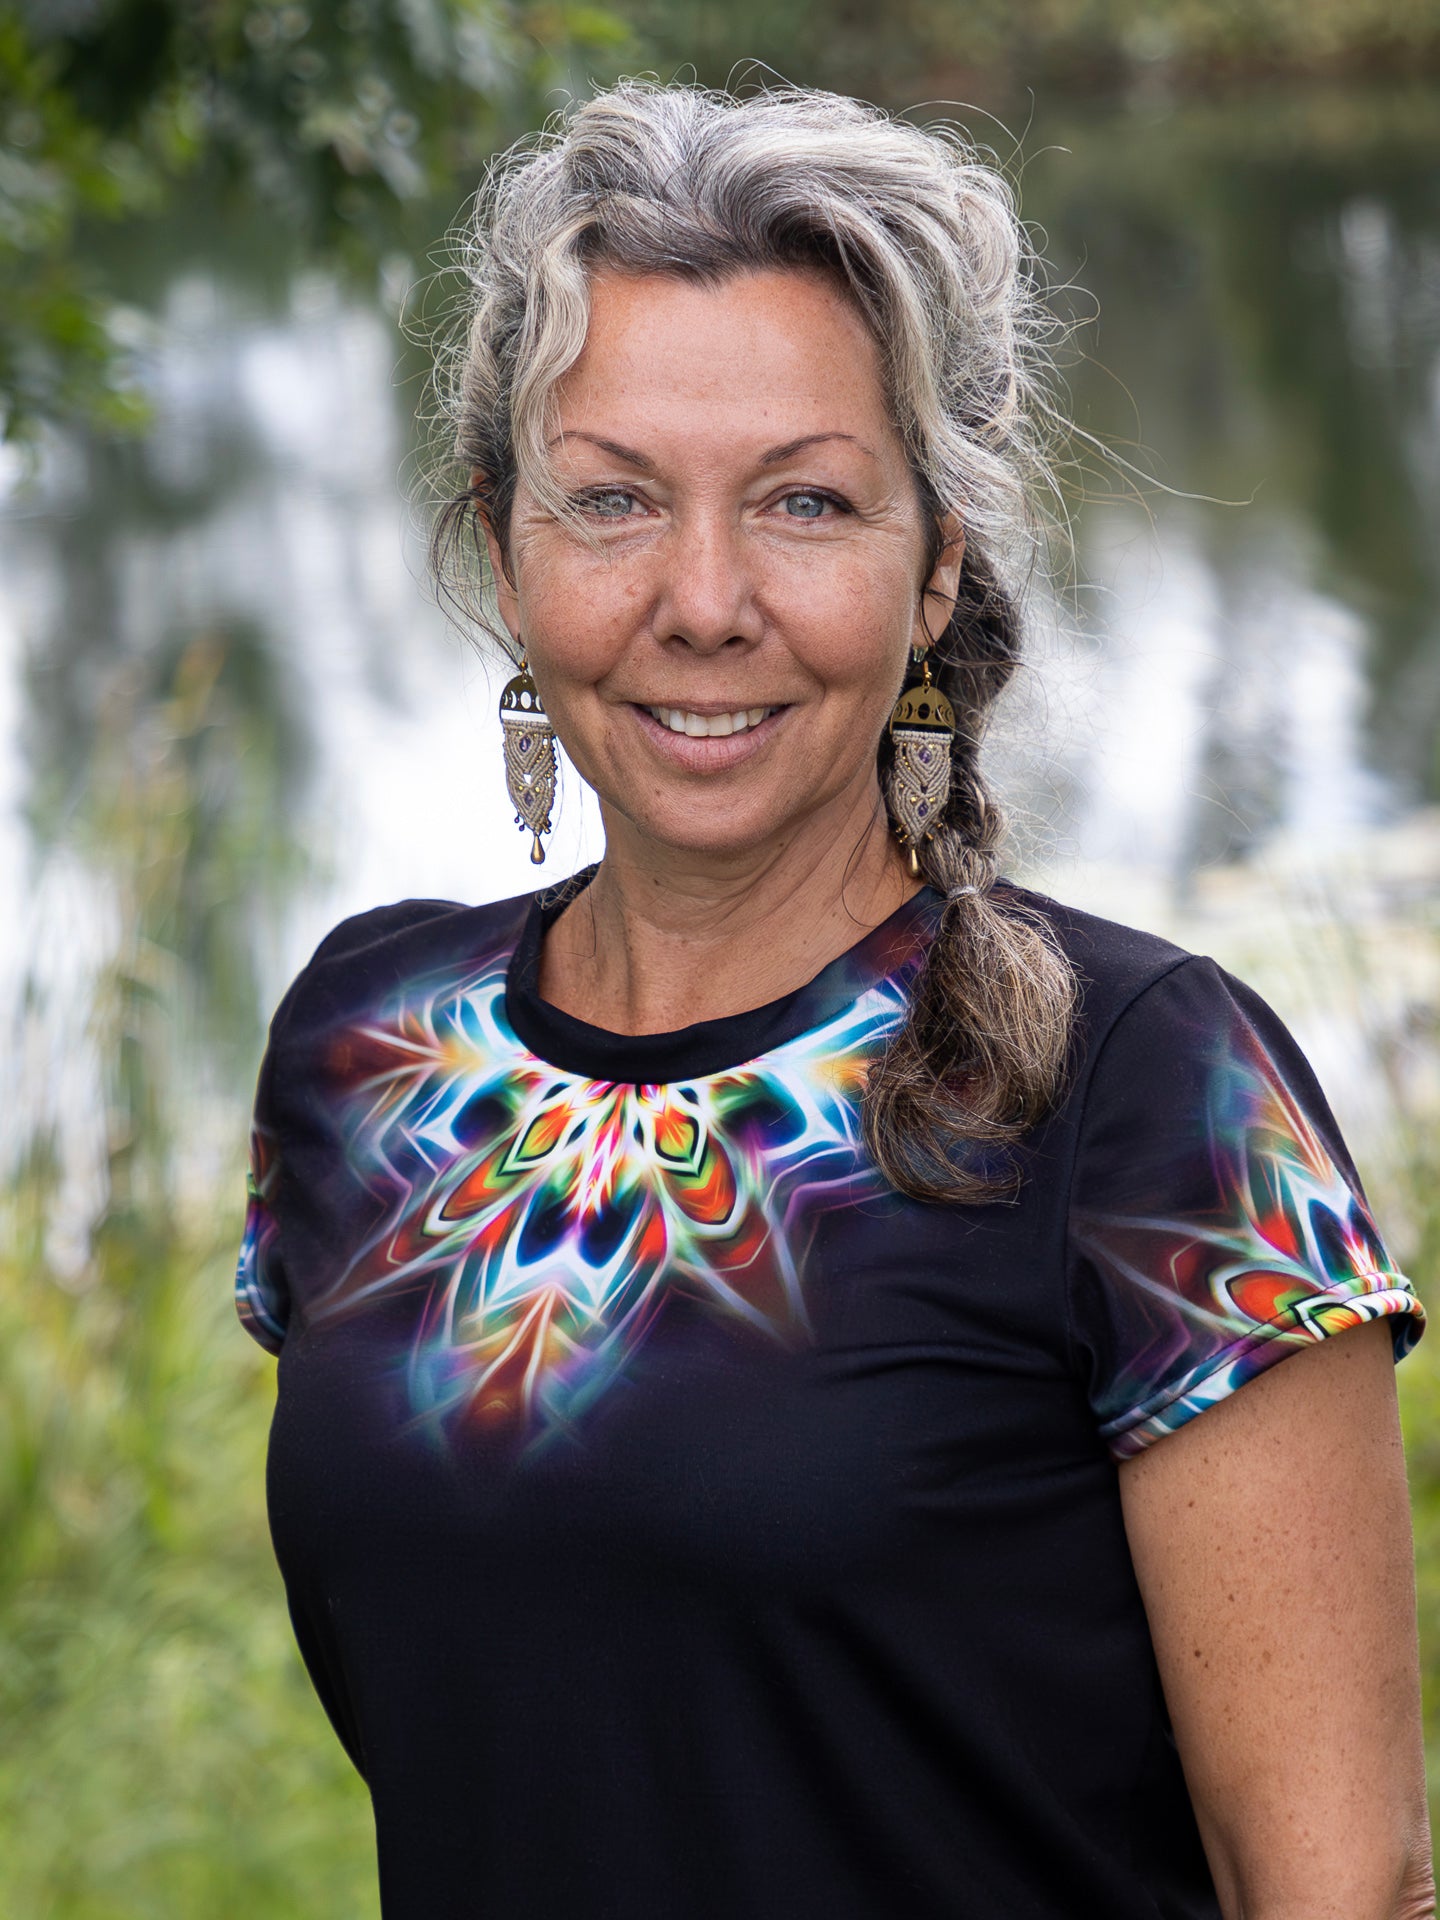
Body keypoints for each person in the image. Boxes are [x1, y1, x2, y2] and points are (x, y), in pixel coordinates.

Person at [235, 81, 1435, 1919]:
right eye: (612, 499)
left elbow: (1340, 1887)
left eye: (806, 501)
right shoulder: (367, 1046)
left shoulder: (1140, 1088)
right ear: (502, 543)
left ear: (937, 555)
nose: (704, 601)